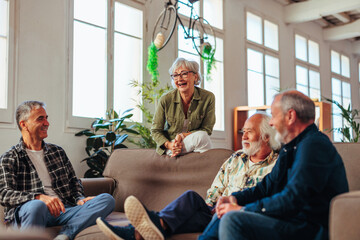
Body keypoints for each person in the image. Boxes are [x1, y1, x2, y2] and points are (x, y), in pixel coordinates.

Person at [96, 113, 281, 240]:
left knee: (190, 218)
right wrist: (212, 204)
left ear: (266, 136)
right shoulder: (235, 158)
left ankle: (136, 233)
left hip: (238, 216)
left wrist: (233, 207)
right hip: (214, 212)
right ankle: (146, 228)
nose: (244, 135)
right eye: (243, 131)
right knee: (191, 198)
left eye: (249, 131)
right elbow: (217, 187)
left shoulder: (277, 165)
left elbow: (272, 200)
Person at [203, 90, 349, 240]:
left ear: (290, 116)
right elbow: (267, 186)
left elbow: (292, 199)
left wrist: (243, 209)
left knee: (232, 219)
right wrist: (235, 198)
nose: (271, 123)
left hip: (308, 228)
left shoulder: (314, 145)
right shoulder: (290, 147)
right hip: (290, 220)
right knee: (222, 214)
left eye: (273, 115)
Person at [0, 101, 115, 240]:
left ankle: (65, 235)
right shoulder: (10, 157)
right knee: (37, 206)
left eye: (46, 118)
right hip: (33, 210)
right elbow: (4, 193)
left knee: (107, 199)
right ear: (24, 124)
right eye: (40, 118)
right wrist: (38, 197)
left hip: (64, 209)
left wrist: (79, 199)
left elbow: (74, 182)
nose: (47, 123)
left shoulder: (57, 152)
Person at [151, 57, 216, 157]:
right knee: (202, 138)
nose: (179, 79)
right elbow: (155, 130)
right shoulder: (165, 99)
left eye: (184, 73)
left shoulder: (208, 98)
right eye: (175, 75)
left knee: (202, 137)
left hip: (194, 141)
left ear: (195, 76)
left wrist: (182, 135)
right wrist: (170, 145)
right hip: (172, 146)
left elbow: (207, 129)